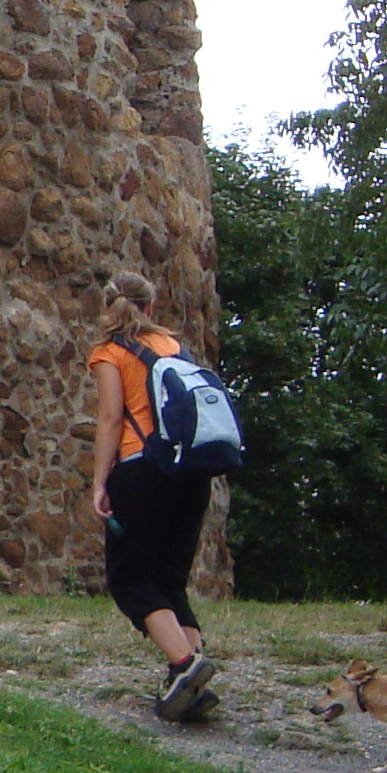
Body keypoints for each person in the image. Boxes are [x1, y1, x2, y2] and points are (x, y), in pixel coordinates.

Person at [87, 271, 217, 721]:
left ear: (108, 308)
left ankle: (185, 666)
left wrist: (100, 482)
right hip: (191, 470)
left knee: (130, 580)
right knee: (168, 582)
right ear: (150, 307)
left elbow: (111, 419)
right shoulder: (175, 348)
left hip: (142, 470)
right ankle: (192, 683)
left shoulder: (110, 353)